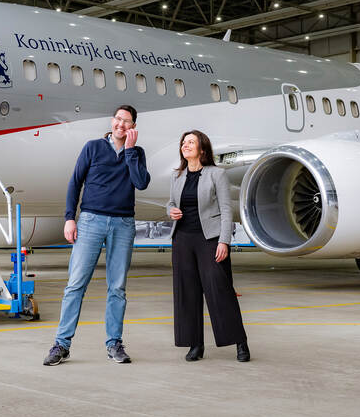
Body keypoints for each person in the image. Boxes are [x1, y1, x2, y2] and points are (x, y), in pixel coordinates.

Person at [43, 105, 150, 365]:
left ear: (133, 127)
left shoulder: (137, 153)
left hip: (123, 223)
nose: (121, 125)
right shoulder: (93, 147)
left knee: (117, 287)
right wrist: (70, 218)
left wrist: (131, 152)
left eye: (127, 122)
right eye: (118, 119)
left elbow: (141, 182)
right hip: (91, 221)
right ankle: (61, 344)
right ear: (112, 121)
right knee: (75, 284)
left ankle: (114, 344)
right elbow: (75, 181)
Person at [166, 130, 249, 362]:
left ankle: (240, 342)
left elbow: (226, 210)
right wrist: (170, 211)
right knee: (187, 293)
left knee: (220, 290)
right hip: (182, 238)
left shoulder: (216, 174)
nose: (186, 145)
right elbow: (171, 202)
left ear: (202, 149)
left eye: (191, 142)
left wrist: (224, 241)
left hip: (209, 239)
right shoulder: (177, 176)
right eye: (183, 142)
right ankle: (195, 344)